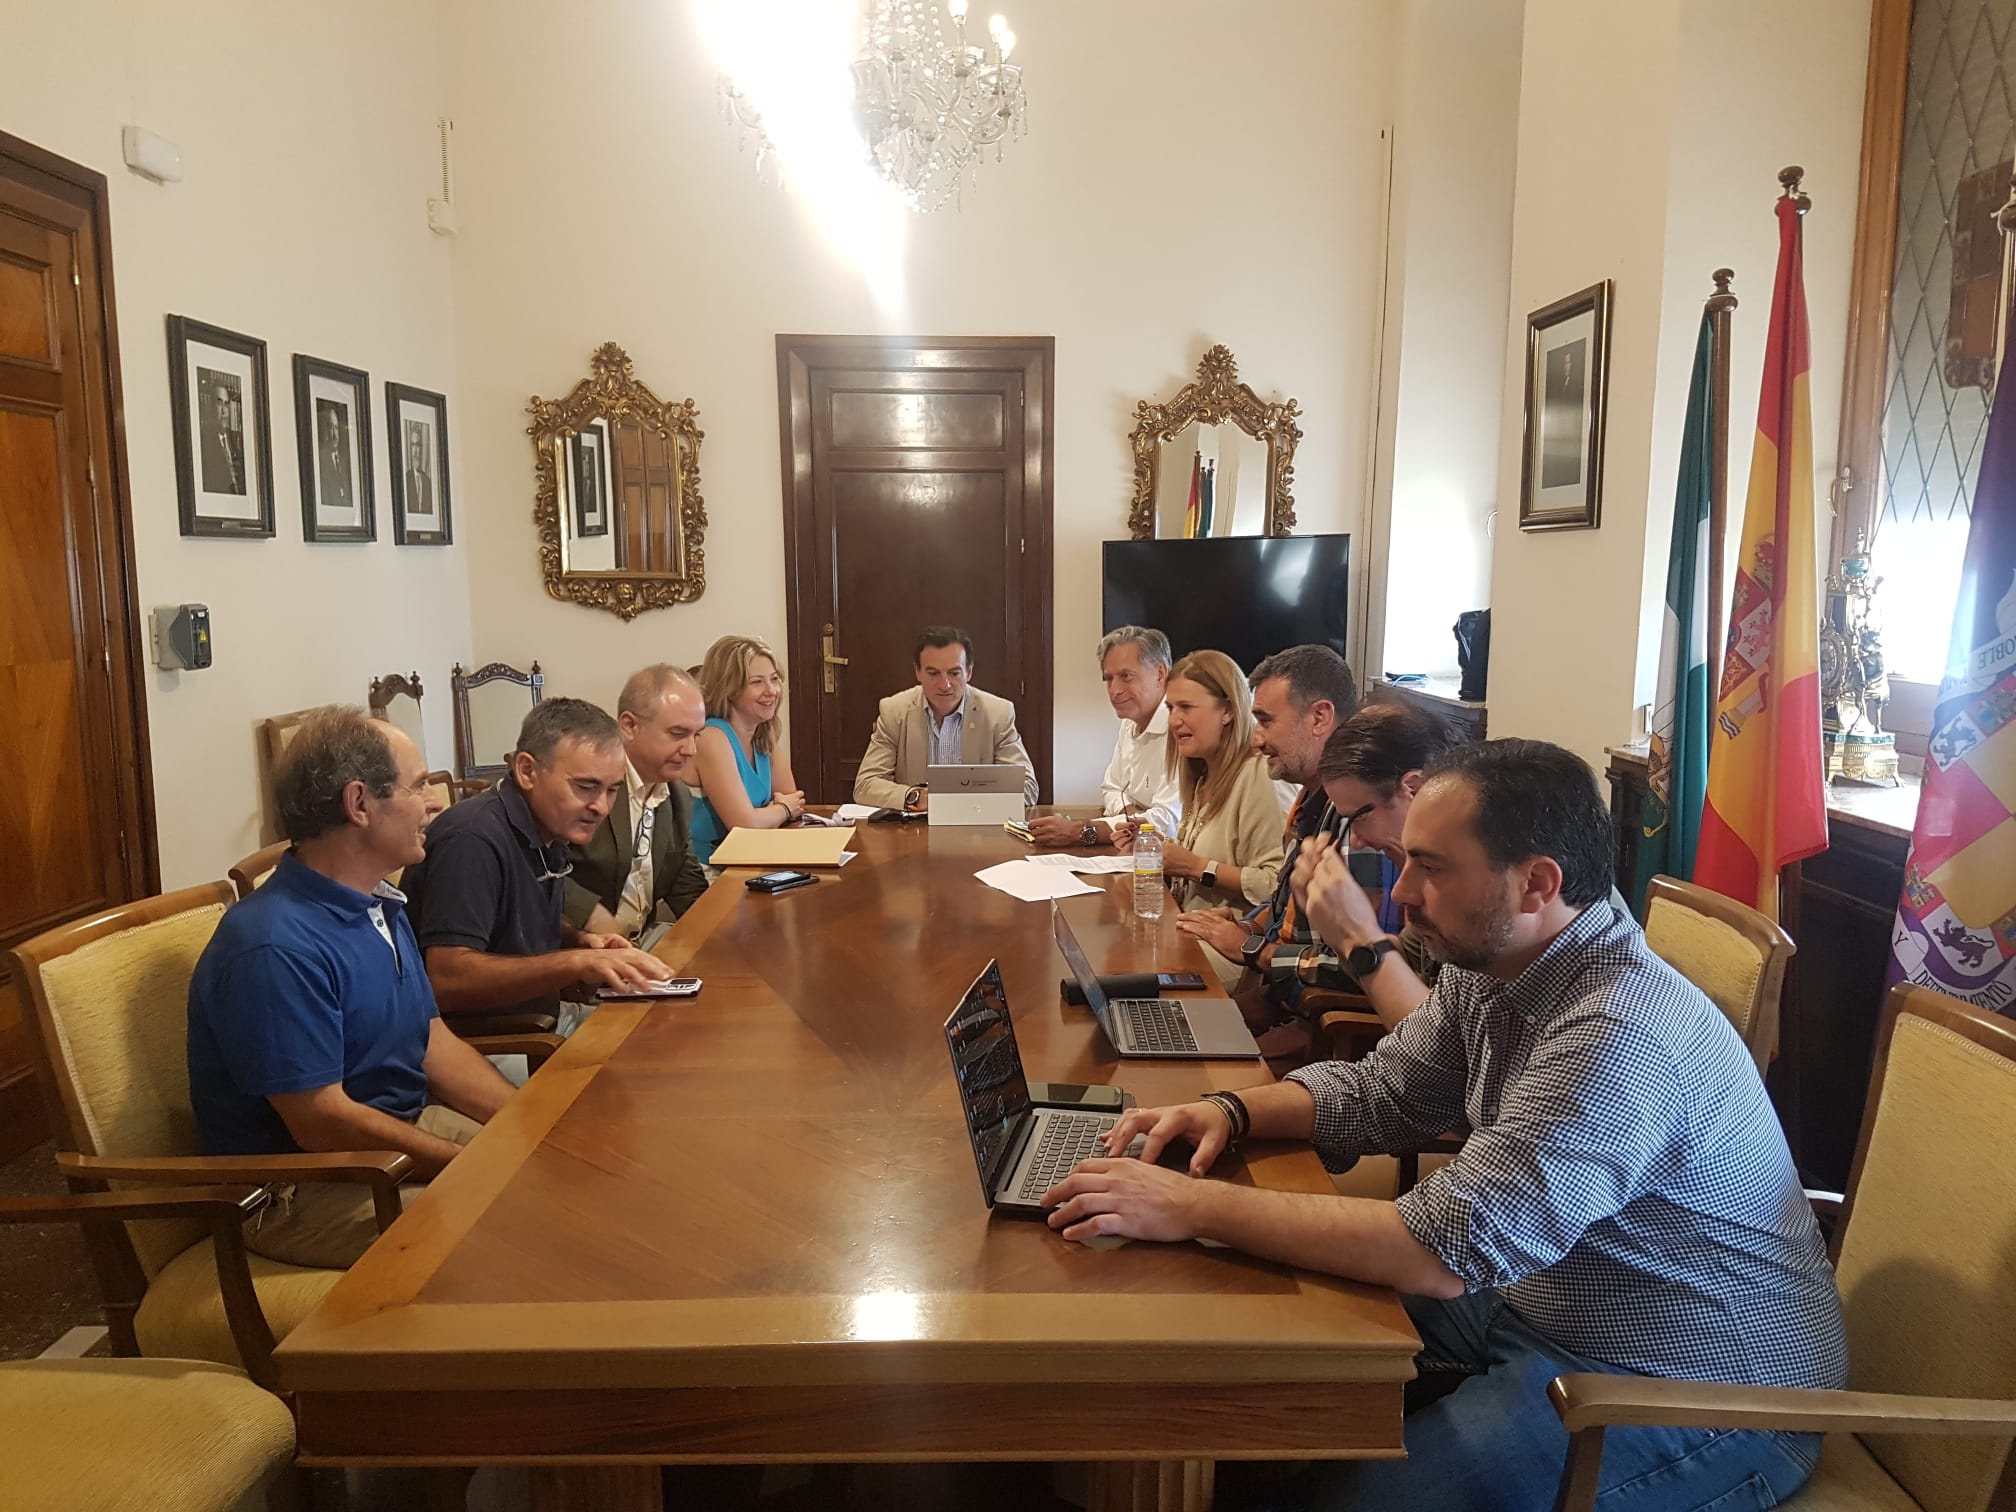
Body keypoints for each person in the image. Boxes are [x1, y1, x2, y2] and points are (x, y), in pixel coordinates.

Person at [1044, 739, 1845, 1512]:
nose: (1398, 897)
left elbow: (1436, 1253)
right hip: (1541, 1301)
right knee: (1251, 1355)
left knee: (1354, 1497)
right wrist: (1230, 1110)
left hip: (1695, 1390)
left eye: (1428, 869)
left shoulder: (1619, 1035)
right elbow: (1383, 1092)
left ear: (1536, 884)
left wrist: (1188, 1206)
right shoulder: (1497, 960)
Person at [186, 707, 517, 1269]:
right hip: (300, 1188)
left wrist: (528, 1121)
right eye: (417, 787)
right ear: (359, 803)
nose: (435, 803)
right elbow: (322, 1123)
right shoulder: (274, 945)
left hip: (394, 1132)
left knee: (563, 1172)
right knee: (514, 1228)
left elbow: (429, 1039)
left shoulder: (378, 902)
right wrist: (460, 1164)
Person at [400, 697, 670, 1035]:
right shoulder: (472, 839)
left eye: (612, 790)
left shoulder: (547, 825)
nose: (601, 806)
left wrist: (581, 941)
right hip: (493, 1039)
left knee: (667, 1030)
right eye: (585, 787)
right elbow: (448, 979)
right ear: (527, 771)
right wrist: (573, 963)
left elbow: (511, 922)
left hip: (545, 1017)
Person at [1171, 646, 1359, 1019]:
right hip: (1277, 995)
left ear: (1320, 717)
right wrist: (1245, 926)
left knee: (1156, 985)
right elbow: (1280, 901)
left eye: (1266, 721)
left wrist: (1252, 947)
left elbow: (1351, 968)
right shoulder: (1311, 799)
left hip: (1300, 1013)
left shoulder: (1359, 816)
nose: (1256, 740)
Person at [1117, 650, 1283, 928]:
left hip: (1230, 942)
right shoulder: (1201, 775)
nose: (1174, 721)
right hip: (1186, 928)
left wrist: (1195, 867)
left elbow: (1275, 885)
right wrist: (1154, 850)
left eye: (1186, 707)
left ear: (1228, 711)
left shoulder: (1257, 776)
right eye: (1170, 708)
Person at [563, 664, 711, 939]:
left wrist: (733, 929)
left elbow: (688, 889)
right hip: (580, 955)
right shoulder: (587, 786)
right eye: (678, 734)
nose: (691, 750)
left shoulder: (677, 796)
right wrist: (593, 919)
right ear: (630, 725)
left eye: (696, 735)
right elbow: (539, 871)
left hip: (642, 945)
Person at [853, 626, 1038, 811]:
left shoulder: (997, 713)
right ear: (918, 673)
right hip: (914, 828)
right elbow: (865, 785)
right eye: (933, 673)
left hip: (978, 828)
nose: (944, 685)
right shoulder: (894, 711)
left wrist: (964, 800)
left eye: (954, 673)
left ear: (969, 672)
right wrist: (914, 796)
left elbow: (1027, 788)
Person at [1027, 626, 1180, 849]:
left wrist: (1083, 832)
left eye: (1126, 676)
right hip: (1134, 850)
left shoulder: (1181, 728)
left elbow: (1167, 822)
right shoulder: (1129, 723)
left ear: (1160, 674)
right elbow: (1111, 789)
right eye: (1108, 678)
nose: (1114, 690)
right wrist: (1133, 817)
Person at [689, 635, 807, 864]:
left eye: (774, 679)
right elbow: (743, 824)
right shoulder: (710, 737)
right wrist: (780, 809)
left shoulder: (763, 733)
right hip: (706, 872)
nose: (771, 690)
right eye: (757, 682)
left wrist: (772, 812)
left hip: (751, 858)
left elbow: (795, 801)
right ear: (728, 688)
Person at [405, 423, 433, 516]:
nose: (415, 451)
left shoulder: (427, 481)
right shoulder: (406, 479)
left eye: (418, 445)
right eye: (413, 445)